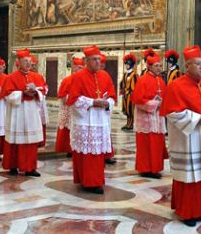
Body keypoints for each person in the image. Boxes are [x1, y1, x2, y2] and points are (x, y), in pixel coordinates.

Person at [160, 45, 201, 227]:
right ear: (187, 66)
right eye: (197, 64)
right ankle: (188, 211)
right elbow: (172, 113)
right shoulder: (176, 86)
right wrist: (197, 118)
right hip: (188, 139)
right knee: (190, 175)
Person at [67, 45, 117, 194]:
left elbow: (113, 96)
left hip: (100, 120)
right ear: (87, 61)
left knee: (97, 154)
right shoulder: (78, 77)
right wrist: (93, 102)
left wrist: (108, 103)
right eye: (94, 59)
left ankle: (95, 181)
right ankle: (88, 181)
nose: (97, 62)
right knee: (87, 155)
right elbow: (73, 100)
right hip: (85, 121)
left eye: (99, 59)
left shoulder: (105, 76)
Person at [1, 49, 44, 176]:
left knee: (31, 141)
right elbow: (7, 94)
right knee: (15, 140)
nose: (28, 64)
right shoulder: (11, 77)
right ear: (18, 62)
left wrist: (36, 93)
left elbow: (44, 89)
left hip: (31, 112)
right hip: (17, 112)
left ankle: (30, 168)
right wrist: (22, 93)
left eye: (29, 61)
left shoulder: (37, 76)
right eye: (25, 61)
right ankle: (13, 166)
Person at [131, 52, 168, 179]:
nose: (159, 68)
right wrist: (154, 104)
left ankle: (156, 168)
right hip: (146, 118)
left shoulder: (161, 81)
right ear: (150, 66)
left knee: (157, 144)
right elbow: (138, 100)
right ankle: (145, 169)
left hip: (158, 118)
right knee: (146, 145)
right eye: (157, 66)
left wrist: (163, 103)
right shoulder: (142, 80)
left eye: (160, 65)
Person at [55, 56, 84, 156]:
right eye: (79, 67)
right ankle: (68, 149)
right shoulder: (67, 80)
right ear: (74, 67)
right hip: (68, 108)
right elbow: (62, 96)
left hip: (80, 109)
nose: (80, 70)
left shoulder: (83, 80)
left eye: (82, 67)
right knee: (68, 127)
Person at [120, 53, 139, 131]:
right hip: (125, 95)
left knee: (131, 110)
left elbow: (136, 86)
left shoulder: (135, 75)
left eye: (128, 64)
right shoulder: (125, 74)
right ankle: (128, 123)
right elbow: (122, 83)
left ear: (131, 65)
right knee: (126, 110)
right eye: (126, 64)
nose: (126, 66)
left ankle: (131, 124)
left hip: (131, 95)